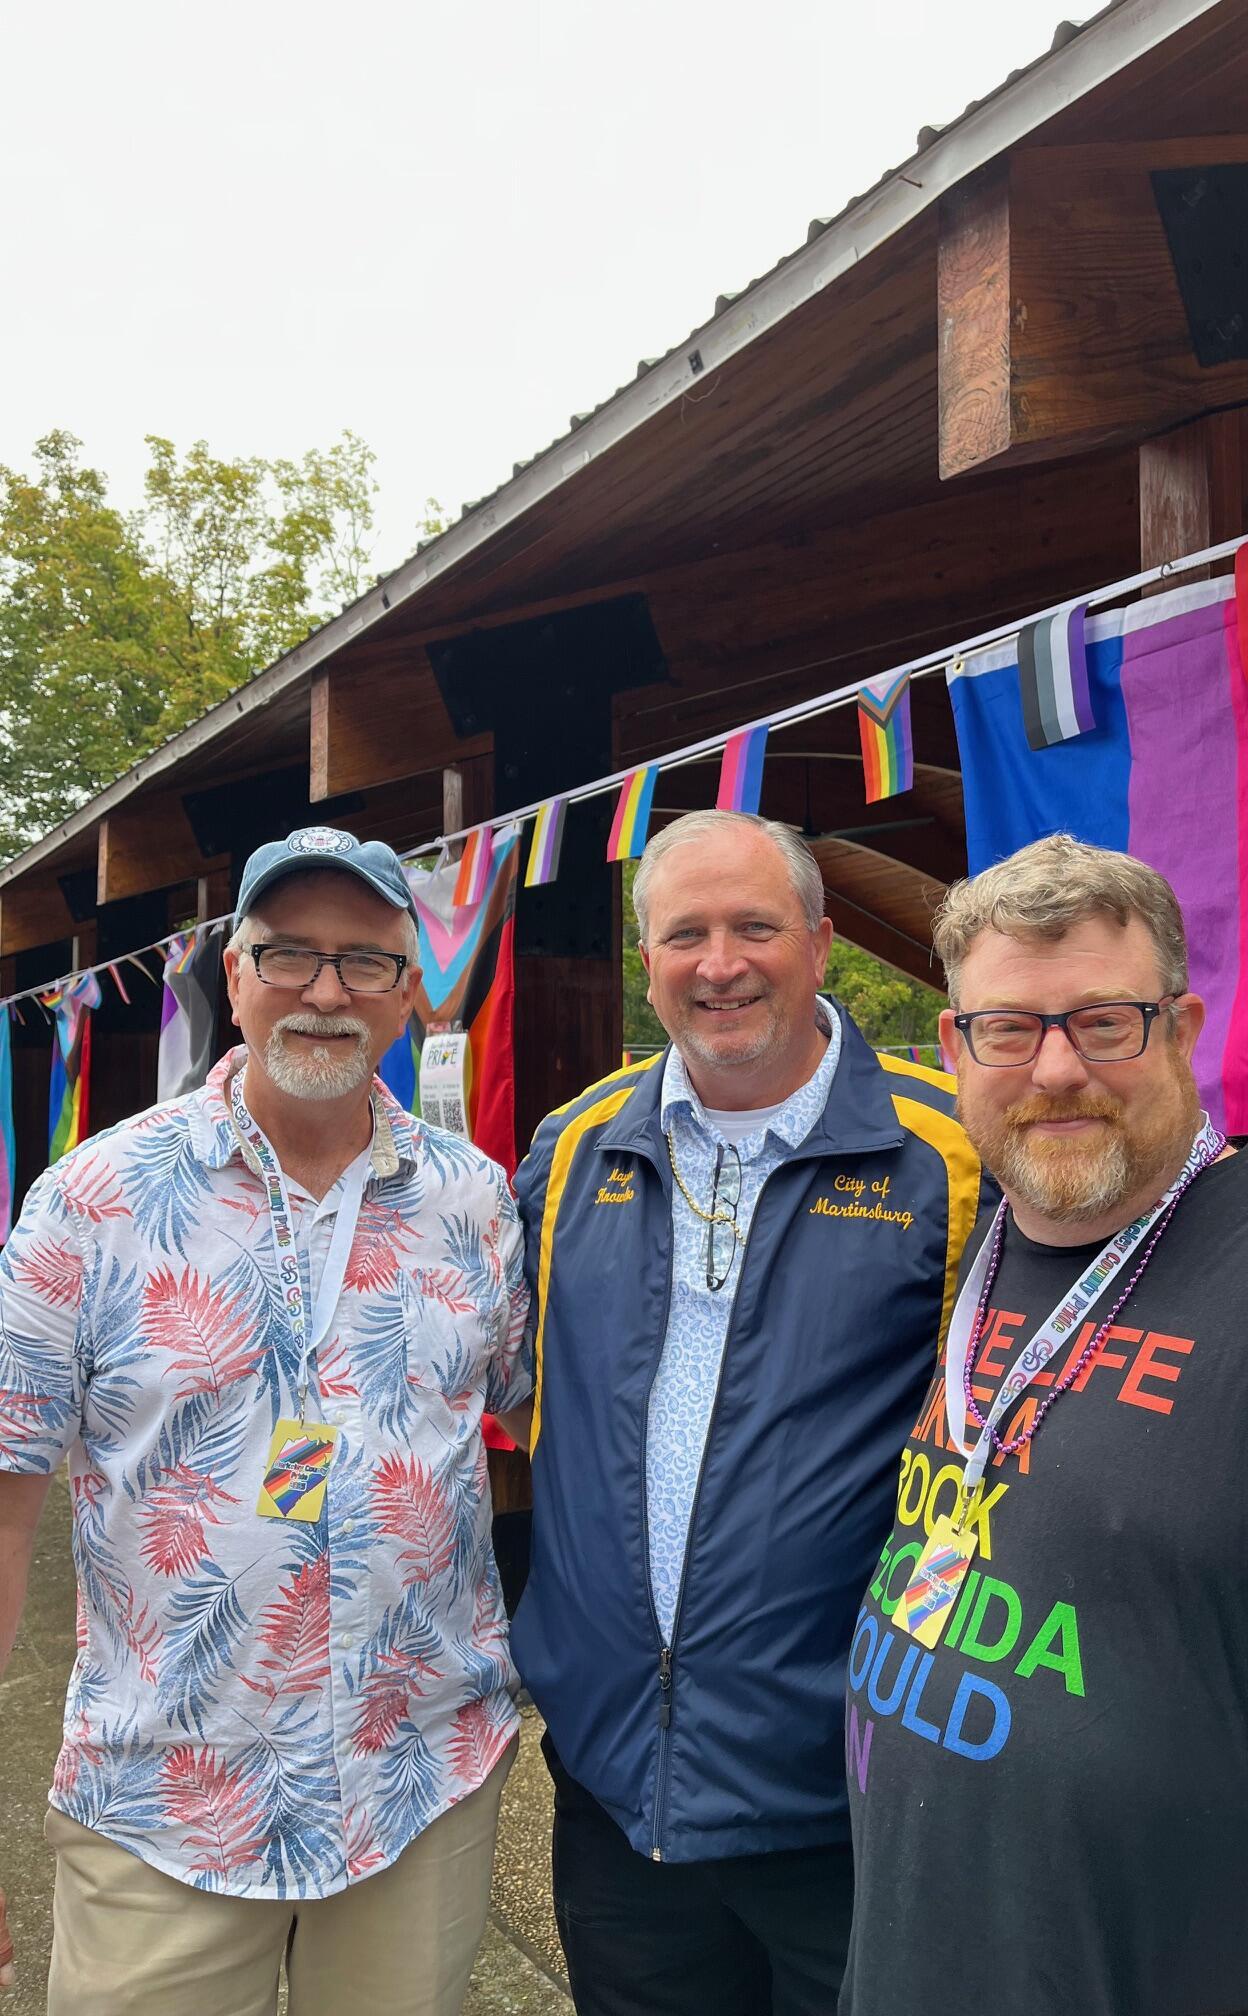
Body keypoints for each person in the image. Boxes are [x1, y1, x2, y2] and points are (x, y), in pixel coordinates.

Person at [841, 832, 1248, 2016]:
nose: (1055, 1071)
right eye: (1010, 1028)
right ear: (955, 1049)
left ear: (1184, 1030)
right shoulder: (989, 1256)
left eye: (1105, 1021)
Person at [0, 826, 529, 2016]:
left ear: (410, 988)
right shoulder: (93, 1203)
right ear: (231, 975)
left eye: (366, 961)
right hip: (166, 1804)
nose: (327, 991)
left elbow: (511, 1414)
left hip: (418, 1783)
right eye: (288, 953)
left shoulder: (476, 1202)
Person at [506, 809, 986, 2016]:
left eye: (754, 927)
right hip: (613, 1788)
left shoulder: (952, 1156)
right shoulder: (570, 1150)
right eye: (686, 935)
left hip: (848, 1792)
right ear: (649, 959)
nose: (720, 963)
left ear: (821, 944)